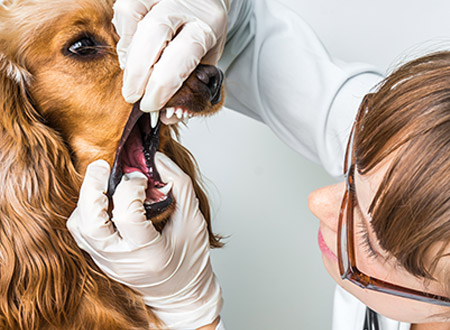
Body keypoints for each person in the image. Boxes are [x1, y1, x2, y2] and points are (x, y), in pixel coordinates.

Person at [67, 0, 450, 329]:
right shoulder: (424, 135)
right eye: (357, 164)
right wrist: (202, 17)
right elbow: (249, 42)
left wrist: (192, 313)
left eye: (367, 234)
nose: (317, 200)